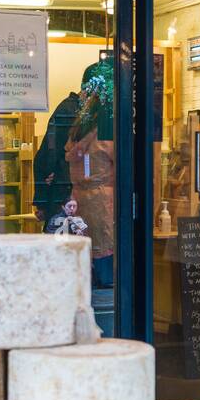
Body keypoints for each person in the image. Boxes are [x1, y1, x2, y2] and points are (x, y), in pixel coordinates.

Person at [66, 57, 116, 288]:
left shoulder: (80, 125)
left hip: (79, 201)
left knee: (85, 272)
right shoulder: (107, 126)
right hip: (102, 203)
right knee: (106, 274)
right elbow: (120, 166)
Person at [32, 90, 79, 225]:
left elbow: (46, 155)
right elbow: (49, 154)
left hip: (62, 192)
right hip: (64, 192)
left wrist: (42, 201)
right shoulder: (71, 110)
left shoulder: (68, 108)